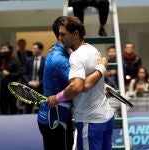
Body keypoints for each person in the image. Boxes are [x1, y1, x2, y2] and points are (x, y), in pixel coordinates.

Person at [37, 16, 107, 150]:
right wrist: (102, 68)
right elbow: (80, 86)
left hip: (55, 117)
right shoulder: (60, 59)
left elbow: (82, 78)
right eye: (61, 34)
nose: (61, 36)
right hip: (56, 120)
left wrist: (103, 85)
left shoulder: (65, 51)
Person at [23, 42, 45, 113]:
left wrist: (39, 82)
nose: (32, 50)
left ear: (40, 50)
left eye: (35, 48)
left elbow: (46, 75)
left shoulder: (46, 60)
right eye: (32, 48)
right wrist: (29, 82)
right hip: (29, 88)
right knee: (27, 110)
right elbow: (24, 74)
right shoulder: (28, 60)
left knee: (42, 109)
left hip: (40, 88)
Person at [0, 44, 21, 114]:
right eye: (2, 49)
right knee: (3, 105)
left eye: (4, 49)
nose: (2, 50)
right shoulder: (3, 59)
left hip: (12, 86)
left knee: (12, 106)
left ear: (10, 50)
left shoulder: (15, 60)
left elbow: (19, 74)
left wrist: (9, 74)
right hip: (3, 86)